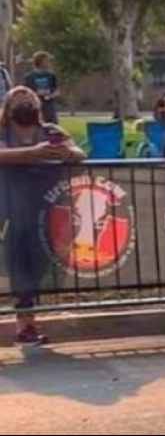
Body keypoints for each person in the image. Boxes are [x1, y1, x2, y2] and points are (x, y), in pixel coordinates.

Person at [0, 86, 86, 348]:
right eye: (18, 98)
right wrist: (34, 153)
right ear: (7, 107)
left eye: (29, 98)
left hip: (46, 209)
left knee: (39, 265)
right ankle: (23, 326)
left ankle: (30, 322)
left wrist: (67, 154)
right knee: (18, 264)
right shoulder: (3, 132)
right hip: (12, 209)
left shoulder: (51, 131)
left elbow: (80, 152)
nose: (24, 101)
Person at [23, 52, 60, 124]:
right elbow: (26, 92)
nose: (49, 63)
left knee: (51, 128)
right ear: (40, 62)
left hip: (49, 107)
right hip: (35, 107)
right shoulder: (29, 77)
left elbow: (57, 90)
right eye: (47, 61)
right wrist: (36, 95)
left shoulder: (51, 76)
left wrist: (51, 96)